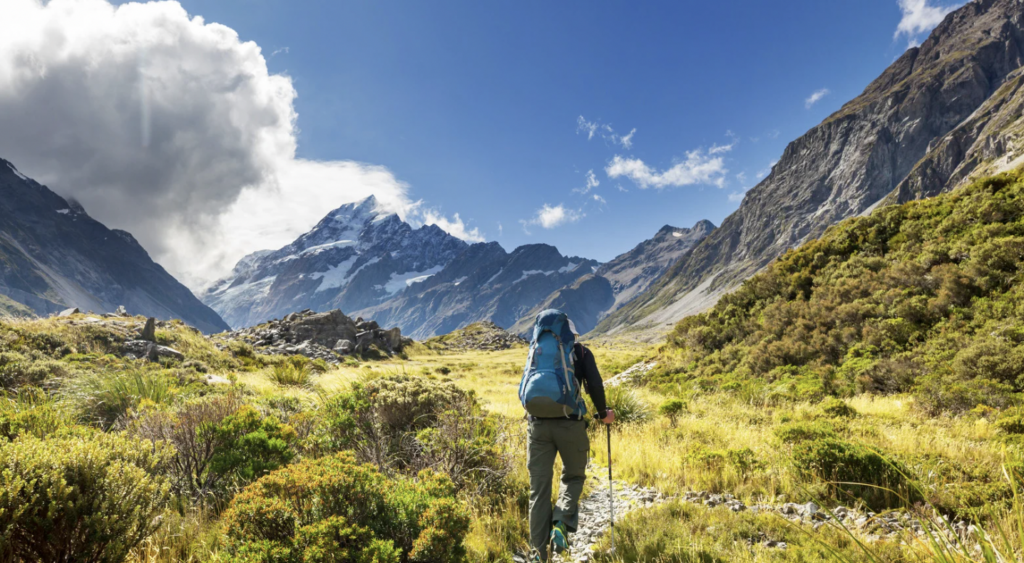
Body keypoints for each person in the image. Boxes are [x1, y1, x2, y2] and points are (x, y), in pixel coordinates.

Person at [520, 311, 614, 562]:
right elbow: (595, 384)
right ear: (570, 334)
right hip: (570, 425)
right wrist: (603, 413)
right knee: (573, 476)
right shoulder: (581, 353)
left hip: (537, 426)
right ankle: (560, 524)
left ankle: (539, 555)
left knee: (538, 491)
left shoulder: (536, 352)